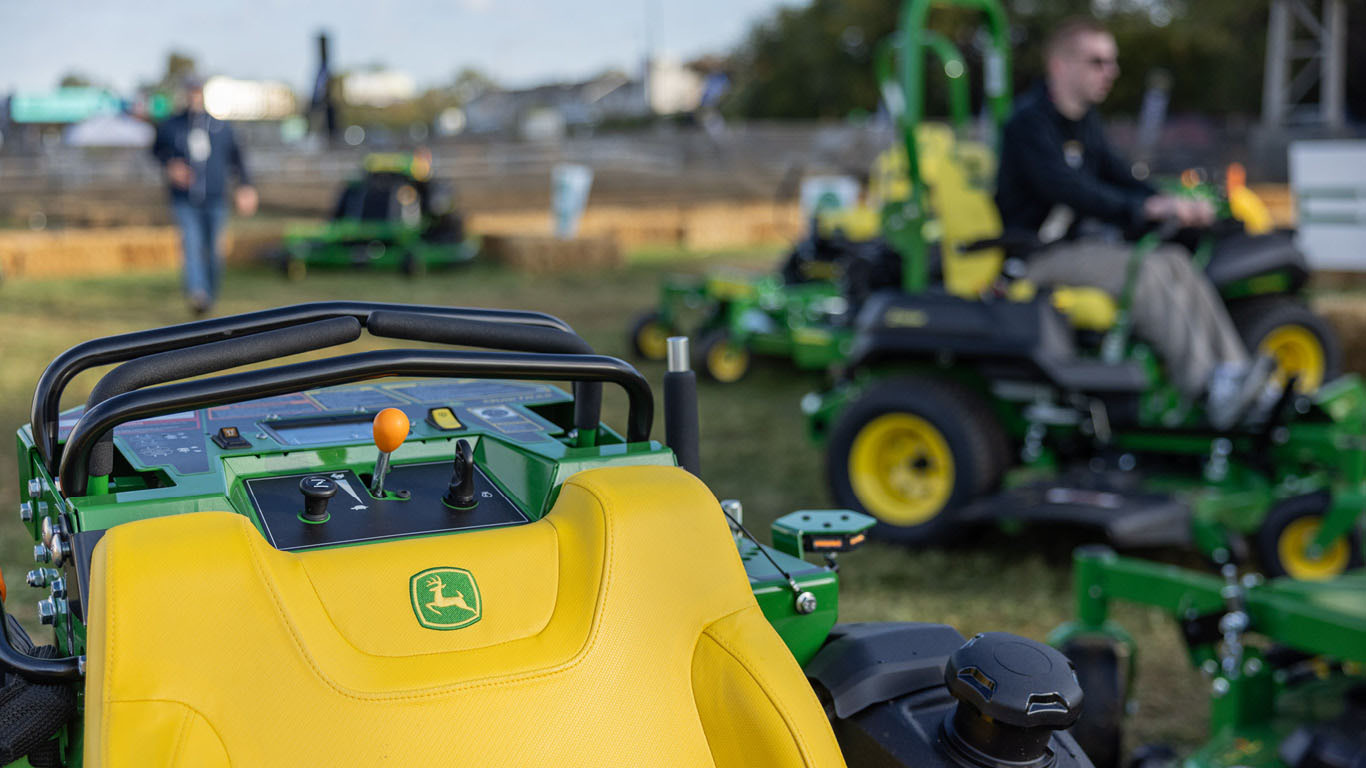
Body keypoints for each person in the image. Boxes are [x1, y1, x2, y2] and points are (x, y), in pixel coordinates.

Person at [995, 17, 1271, 429]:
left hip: (1073, 250)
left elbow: (1120, 177)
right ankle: (1203, 386)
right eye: (1097, 62)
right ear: (1060, 65)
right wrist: (1144, 210)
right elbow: (1069, 189)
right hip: (1033, 255)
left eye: (1111, 62)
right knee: (1141, 272)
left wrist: (1170, 202)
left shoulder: (1083, 122)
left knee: (1174, 261)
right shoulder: (1029, 124)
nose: (1111, 72)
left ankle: (1233, 374)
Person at [151, 75, 257, 316]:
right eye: (190, 91)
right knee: (191, 245)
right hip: (184, 199)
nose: (194, 96)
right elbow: (157, 151)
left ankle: (209, 294)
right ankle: (197, 294)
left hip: (215, 198)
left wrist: (245, 187)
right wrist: (171, 165)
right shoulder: (171, 125)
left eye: (198, 91)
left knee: (213, 250)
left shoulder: (221, 127)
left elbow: (237, 159)